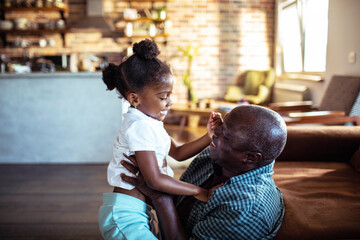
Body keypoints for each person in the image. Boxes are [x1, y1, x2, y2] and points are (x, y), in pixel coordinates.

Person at [98, 39, 222, 240]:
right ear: (135, 99)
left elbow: (178, 153)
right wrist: (200, 191)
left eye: (170, 95)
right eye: (163, 96)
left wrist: (208, 137)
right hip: (125, 215)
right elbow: (154, 179)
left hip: (138, 211)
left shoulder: (149, 122)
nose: (170, 102)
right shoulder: (140, 126)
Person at [121, 104, 288, 240]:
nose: (216, 132)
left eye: (226, 136)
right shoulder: (214, 157)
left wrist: (159, 195)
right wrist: (155, 178)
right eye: (222, 124)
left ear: (250, 157)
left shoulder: (245, 211)